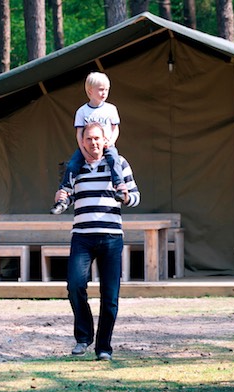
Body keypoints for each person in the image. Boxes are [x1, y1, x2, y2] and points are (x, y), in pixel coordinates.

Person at [54, 122, 140, 361]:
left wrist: (125, 197)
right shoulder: (75, 167)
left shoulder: (119, 163)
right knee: (74, 286)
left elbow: (135, 197)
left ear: (105, 140)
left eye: (96, 139)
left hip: (111, 237)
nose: (93, 143)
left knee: (110, 296)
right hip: (82, 236)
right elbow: (65, 197)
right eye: (88, 139)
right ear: (81, 142)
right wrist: (61, 196)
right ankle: (83, 337)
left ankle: (104, 347)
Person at [51, 71, 126, 215]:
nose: (104, 93)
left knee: (114, 160)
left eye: (106, 90)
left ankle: (120, 187)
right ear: (90, 91)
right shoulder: (82, 111)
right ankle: (64, 194)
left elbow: (115, 129)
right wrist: (84, 151)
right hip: (86, 148)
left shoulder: (111, 109)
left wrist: (110, 142)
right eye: (101, 89)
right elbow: (79, 134)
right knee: (72, 165)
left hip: (106, 146)